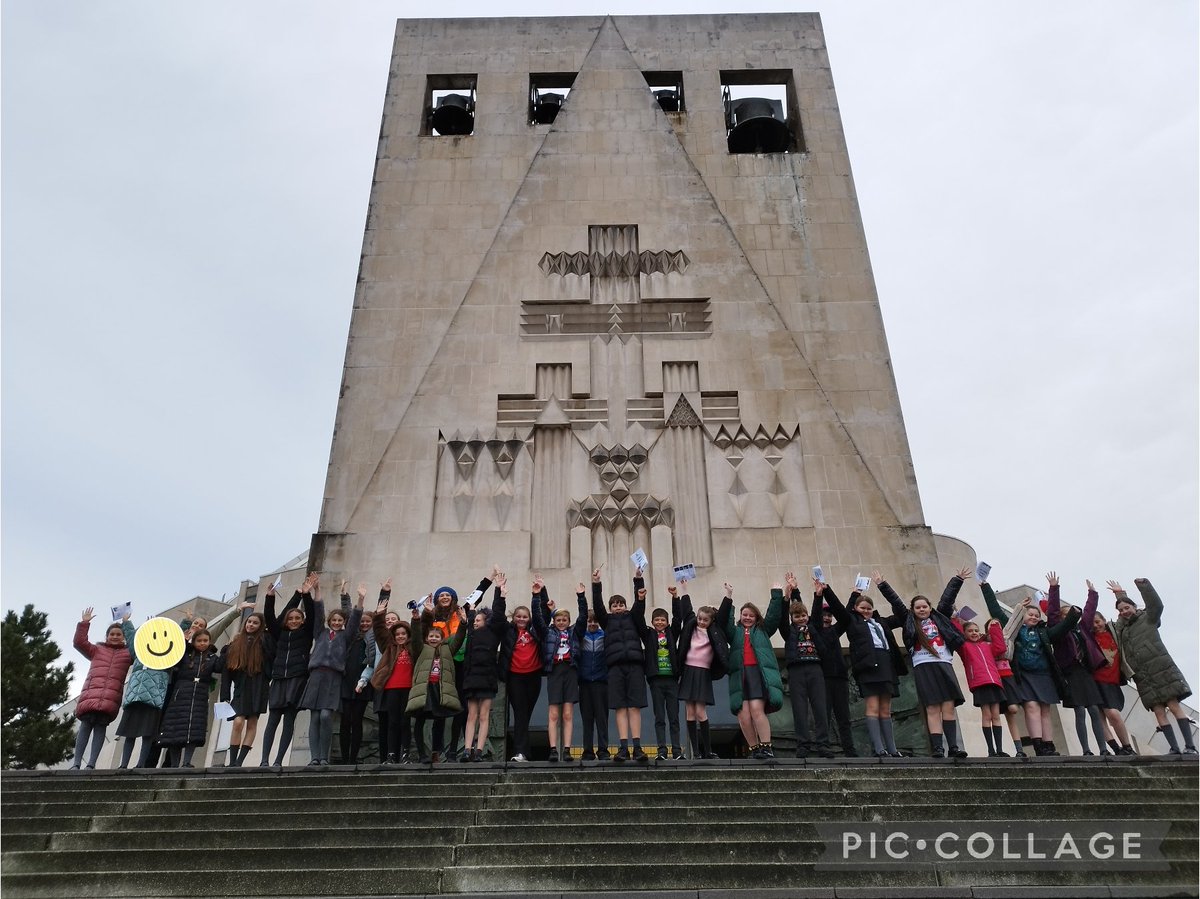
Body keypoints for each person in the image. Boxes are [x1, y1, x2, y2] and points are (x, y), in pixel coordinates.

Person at [882, 568, 970, 758]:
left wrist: (958, 580)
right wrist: (883, 585)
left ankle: (953, 747)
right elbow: (896, 603)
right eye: (918, 607)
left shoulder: (940, 618)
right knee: (932, 707)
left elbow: (947, 600)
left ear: (930, 608)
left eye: (925, 606)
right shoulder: (909, 621)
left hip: (943, 663)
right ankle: (938, 748)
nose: (922, 609)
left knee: (948, 706)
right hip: (923, 665)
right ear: (913, 610)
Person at [1108, 578, 1196, 755]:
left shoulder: (1148, 618)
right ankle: (1174, 748)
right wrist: (1119, 596)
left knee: (1173, 705)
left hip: (1161, 668)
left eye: (1127, 608)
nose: (1125, 612)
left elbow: (1156, 604)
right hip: (1143, 675)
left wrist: (1142, 586)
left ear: (1134, 607)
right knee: (1158, 711)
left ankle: (1190, 747)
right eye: (1121, 610)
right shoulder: (1122, 629)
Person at [823, 577, 907, 758]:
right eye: (862, 608)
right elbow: (839, 609)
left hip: (886, 665)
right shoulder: (852, 622)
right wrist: (834, 591)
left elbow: (902, 615)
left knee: (886, 709)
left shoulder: (881, 622)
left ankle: (892, 749)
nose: (866, 611)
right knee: (873, 707)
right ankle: (879, 749)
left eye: (869, 608)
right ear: (855, 609)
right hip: (868, 667)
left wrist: (884, 587)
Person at [1000, 575, 1079, 757]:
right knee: (1032, 707)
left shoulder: (1044, 632)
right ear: (1023, 616)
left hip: (1043, 675)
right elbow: (997, 610)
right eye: (1030, 614)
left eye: (1036, 615)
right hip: (1024, 675)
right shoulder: (1016, 632)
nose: (1034, 617)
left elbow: (1063, 626)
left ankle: (1049, 745)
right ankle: (1038, 745)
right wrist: (986, 587)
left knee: (1045, 710)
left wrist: (1072, 611)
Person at [299, 581, 364, 766]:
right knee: (315, 717)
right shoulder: (320, 632)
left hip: (333, 678)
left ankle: (323, 757)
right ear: (329, 622)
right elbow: (318, 612)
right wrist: (318, 589)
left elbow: (356, 619)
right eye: (334, 620)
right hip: (316, 677)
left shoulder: (346, 636)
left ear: (343, 623)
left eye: (340, 621)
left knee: (326, 716)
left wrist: (360, 598)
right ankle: (314, 758)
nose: (336, 622)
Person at [718, 581, 784, 760]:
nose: (747, 618)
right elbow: (724, 621)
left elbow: (773, 616)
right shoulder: (735, 632)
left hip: (756, 673)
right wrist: (729, 597)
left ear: (756, 618)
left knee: (756, 709)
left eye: (751, 615)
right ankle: (754, 748)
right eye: (744, 615)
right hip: (740, 675)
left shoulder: (762, 630)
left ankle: (767, 746)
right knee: (743, 715)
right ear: (740, 616)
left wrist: (776, 594)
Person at [591, 567, 649, 762]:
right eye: (614, 605)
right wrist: (596, 583)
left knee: (634, 707)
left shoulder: (633, 617)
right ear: (610, 608)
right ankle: (623, 747)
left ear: (625, 606)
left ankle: (638, 747)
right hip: (615, 668)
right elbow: (597, 606)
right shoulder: (606, 621)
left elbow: (639, 606)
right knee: (620, 708)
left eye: (620, 604)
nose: (618, 607)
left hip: (634, 666)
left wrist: (638, 581)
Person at [259, 574, 317, 767]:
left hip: (297, 678)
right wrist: (270, 597)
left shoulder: (306, 632)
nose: (293, 620)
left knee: (289, 721)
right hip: (279, 679)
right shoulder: (279, 633)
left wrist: (306, 595)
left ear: (302, 620)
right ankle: (264, 760)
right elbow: (269, 617)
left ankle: (278, 761)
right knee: (272, 720)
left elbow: (312, 613)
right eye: (290, 618)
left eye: (297, 618)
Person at [1047, 576, 1107, 756]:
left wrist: (1093, 594)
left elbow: (1089, 612)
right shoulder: (1058, 631)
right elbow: (1052, 613)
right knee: (1079, 711)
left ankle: (1103, 748)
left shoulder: (1082, 629)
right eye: (1065, 615)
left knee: (1094, 711)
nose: (1069, 617)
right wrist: (1054, 589)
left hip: (1085, 672)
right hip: (1070, 674)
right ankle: (1086, 750)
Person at [71, 609, 136, 769]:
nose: (114, 636)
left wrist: (127, 625)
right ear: (107, 636)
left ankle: (91, 764)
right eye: (112, 634)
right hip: (91, 695)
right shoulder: (96, 650)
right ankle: (76, 763)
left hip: (110, 699)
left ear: (124, 637)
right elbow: (79, 642)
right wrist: (84, 623)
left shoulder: (128, 654)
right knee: (85, 728)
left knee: (100, 729)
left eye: (118, 634)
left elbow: (139, 651)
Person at [778, 571, 834, 759]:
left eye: (803, 615)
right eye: (797, 617)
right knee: (799, 709)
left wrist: (818, 595)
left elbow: (817, 612)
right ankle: (803, 745)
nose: (801, 618)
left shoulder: (813, 627)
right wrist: (787, 596)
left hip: (815, 669)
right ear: (792, 619)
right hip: (796, 670)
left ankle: (823, 744)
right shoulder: (789, 631)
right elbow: (782, 620)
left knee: (819, 707)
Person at [673, 580, 727, 760]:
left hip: (703, 672)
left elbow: (724, 615)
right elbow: (686, 608)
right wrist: (684, 588)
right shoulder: (691, 625)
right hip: (689, 671)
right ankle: (695, 752)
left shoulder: (715, 631)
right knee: (690, 712)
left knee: (700, 712)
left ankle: (708, 750)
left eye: (705, 619)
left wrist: (728, 595)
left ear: (711, 620)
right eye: (700, 618)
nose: (701, 622)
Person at [979, 579, 1032, 757]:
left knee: (1013, 710)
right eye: (992, 626)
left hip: (1007, 676)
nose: (996, 627)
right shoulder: (983, 642)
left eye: (998, 625)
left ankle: (1019, 749)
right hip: (994, 678)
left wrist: (1020, 608)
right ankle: (1005, 749)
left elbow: (1013, 623)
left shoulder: (1006, 636)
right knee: (996, 714)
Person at [406, 609, 466, 764]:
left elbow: (458, 639)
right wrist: (416, 620)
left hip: (440, 690)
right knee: (419, 721)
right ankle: (421, 754)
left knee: (440, 720)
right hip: (424, 690)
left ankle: (436, 752)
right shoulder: (421, 649)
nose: (434, 638)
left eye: (437, 636)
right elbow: (416, 639)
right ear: (427, 639)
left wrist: (464, 623)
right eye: (431, 636)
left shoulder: (447, 650)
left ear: (442, 638)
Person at [459, 575, 507, 762]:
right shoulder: (471, 632)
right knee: (471, 714)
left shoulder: (493, 631)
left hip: (487, 677)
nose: (476, 622)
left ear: (486, 620)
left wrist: (499, 592)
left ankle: (479, 751)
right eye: (475, 619)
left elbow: (498, 611)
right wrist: (486, 581)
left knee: (484, 715)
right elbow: (468, 608)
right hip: (472, 678)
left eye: (479, 619)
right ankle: (467, 749)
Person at [364, 602, 418, 764]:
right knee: (392, 723)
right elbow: (380, 632)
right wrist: (379, 615)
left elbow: (419, 632)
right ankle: (391, 755)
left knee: (404, 723)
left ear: (408, 635)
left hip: (408, 689)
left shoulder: (413, 647)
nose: (400, 636)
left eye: (403, 634)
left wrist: (416, 619)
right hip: (391, 689)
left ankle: (405, 755)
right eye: (397, 634)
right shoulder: (389, 647)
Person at [217, 602, 271, 767]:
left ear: (261, 626)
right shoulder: (234, 645)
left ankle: (239, 762)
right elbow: (225, 672)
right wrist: (225, 696)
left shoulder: (264, 642)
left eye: (255, 623)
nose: (251, 625)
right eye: (249, 622)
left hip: (258, 686)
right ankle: (232, 760)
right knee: (238, 722)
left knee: (252, 723)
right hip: (241, 687)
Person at [500, 575, 546, 762]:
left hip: (533, 676)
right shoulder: (508, 631)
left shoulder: (535, 630)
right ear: (514, 617)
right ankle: (521, 752)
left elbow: (544, 614)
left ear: (529, 619)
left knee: (526, 714)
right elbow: (497, 616)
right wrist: (500, 595)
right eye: (518, 616)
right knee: (520, 713)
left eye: (525, 616)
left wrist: (538, 594)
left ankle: (525, 752)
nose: (521, 619)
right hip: (515, 678)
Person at [158, 628, 220, 767]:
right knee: (175, 730)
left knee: (194, 730)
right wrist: (184, 642)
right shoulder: (185, 654)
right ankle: (174, 765)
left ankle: (187, 762)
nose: (202, 643)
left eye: (205, 640)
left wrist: (226, 649)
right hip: (181, 695)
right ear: (194, 641)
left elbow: (221, 667)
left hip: (200, 696)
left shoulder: (212, 657)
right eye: (199, 640)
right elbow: (173, 656)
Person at [951, 614, 1009, 756]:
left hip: (994, 682)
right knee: (987, 715)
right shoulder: (964, 647)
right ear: (964, 634)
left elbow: (1001, 648)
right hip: (980, 683)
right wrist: (955, 620)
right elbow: (956, 635)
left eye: (976, 630)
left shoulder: (987, 646)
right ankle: (991, 750)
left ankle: (1000, 749)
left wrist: (994, 627)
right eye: (970, 631)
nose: (974, 633)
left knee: (996, 715)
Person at [809, 585, 857, 757]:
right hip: (823, 678)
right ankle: (823, 746)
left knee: (844, 716)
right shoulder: (814, 630)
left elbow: (844, 616)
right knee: (824, 715)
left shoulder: (835, 631)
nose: (827, 618)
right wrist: (818, 595)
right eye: (824, 615)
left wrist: (854, 595)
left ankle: (849, 749)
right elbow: (814, 618)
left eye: (829, 615)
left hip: (840, 678)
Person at [1085, 606, 1136, 755]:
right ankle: (1116, 748)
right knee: (1099, 717)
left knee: (1113, 714)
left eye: (1098, 621)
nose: (1096, 625)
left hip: (1111, 682)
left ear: (1104, 620)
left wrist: (1120, 594)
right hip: (1094, 681)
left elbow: (1125, 618)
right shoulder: (1089, 637)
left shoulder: (1114, 633)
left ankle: (1127, 746)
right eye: (1092, 623)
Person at [539, 586, 579, 762]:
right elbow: (539, 621)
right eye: (558, 620)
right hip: (554, 671)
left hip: (570, 670)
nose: (561, 622)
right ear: (554, 621)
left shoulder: (574, 632)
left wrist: (581, 597)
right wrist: (541, 596)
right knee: (554, 714)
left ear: (569, 621)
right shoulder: (549, 633)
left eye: (564, 620)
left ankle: (567, 749)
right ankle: (553, 749)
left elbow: (584, 617)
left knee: (568, 714)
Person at [642, 594, 683, 761]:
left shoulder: (672, 634)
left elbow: (678, 618)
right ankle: (661, 750)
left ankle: (677, 750)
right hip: (656, 681)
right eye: (656, 620)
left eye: (662, 620)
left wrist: (675, 598)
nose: (660, 623)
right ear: (652, 622)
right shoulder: (648, 635)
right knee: (659, 717)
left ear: (666, 622)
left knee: (674, 717)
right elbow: (637, 619)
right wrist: (641, 599)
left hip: (672, 680)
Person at [575, 584, 610, 761]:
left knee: (602, 719)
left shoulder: (606, 635)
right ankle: (587, 751)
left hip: (602, 683)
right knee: (587, 719)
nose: (593, 624)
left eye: (595, 621)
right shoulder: (580, 637)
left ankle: (603, 750)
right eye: (590, 621)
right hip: (585, 683)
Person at [340, 598, 375, 764]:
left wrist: (385, 593)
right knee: (345, 721)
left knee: (357, 721)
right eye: (362, 621)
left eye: (368, 621)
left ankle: (353, 758)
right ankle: (344, 757)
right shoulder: (351, 637)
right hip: (347, 682)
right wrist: (345, 598)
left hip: (364, 682)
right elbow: (349, 615)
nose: (365, 624)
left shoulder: (372, 639)